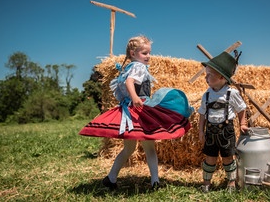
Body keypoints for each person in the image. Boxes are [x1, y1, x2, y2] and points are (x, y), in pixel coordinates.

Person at [79, 35, 192, 190]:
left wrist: (130, 98)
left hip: (131, 111)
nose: (148, 56)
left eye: (149, 53)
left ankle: (111, 178)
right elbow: (129, 82)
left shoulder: (129, 67)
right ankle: (155, 182)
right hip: (140, 109)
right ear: (133, 53)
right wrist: (134, 97)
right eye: (144, 53)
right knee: (149, 148)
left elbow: (124, 84)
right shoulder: (138, 67)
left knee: (129, 149)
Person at [197, 50, 249, 193]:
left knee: (228, 158)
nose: (206, 78)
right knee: (210, 159)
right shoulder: (206, 94)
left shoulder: (232, 93)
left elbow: (241, 109)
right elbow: (202, 114)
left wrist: (243, 123)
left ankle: (231, 184)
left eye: (209, 75)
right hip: (210, 132)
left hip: (226, 131)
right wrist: (201, 131)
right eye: (206, 74)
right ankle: (206, 183)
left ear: (221, 77)